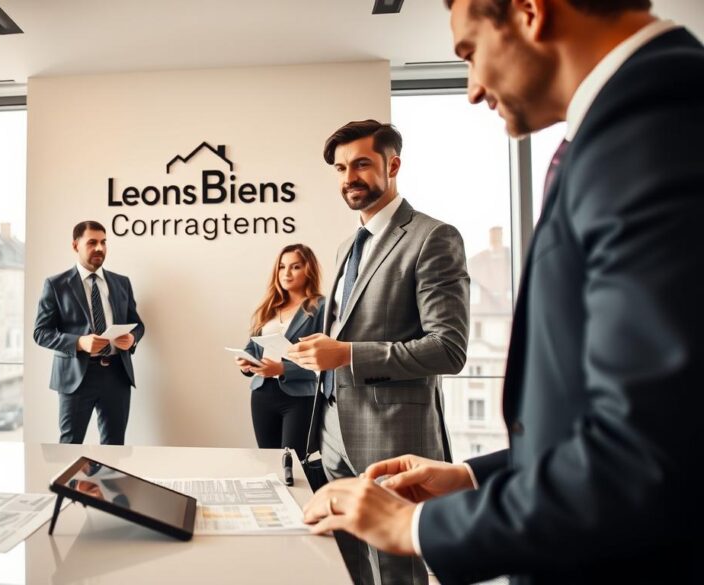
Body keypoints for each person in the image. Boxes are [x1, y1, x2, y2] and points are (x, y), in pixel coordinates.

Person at [301, 2, 704, 584]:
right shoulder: (623, 130)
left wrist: (417, 529)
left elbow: (647, 452)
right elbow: (603, 416)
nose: (471, 89)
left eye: (468, 52)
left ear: (530, 12)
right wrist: (473, 475)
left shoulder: (659, 132)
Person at [287, 120, 470, 585]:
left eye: (362, 164)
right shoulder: (349, 244)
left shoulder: (433, 237)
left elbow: (448, 349)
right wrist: (316, 354)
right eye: (341, 167)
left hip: (394, 437)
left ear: (393, 165)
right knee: (349, 567)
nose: (349, 177)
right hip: (331, 432)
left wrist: (347, 354)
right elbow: (345, 333)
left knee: (397, 572)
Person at [33, 220, 145, 445]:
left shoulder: (122, 283)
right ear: (75, 245)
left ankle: (106, 482)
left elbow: (137, 324)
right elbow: (41, 332)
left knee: (114, 446)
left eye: (104, 242)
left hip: (117, 375)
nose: (99, 248)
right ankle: (69, 483)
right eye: (92, 242)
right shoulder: (56, 284)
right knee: (70, 445)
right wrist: (79, 342)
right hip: (76, 377)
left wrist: (132, 338)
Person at [234, 244, 325, 461]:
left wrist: (283, 368)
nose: (286, 273)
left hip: (300, 397)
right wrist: (246, 362)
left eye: (295, 267)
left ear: (308, 270)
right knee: (269, 462)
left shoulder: (320, 307)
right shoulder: (268, 307)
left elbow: (323, 359)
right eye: (282, 267)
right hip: (262, 394)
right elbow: (252, 346)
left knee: (292, 464)